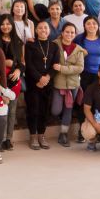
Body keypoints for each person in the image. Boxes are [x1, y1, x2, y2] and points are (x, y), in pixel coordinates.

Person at [23, 21, 58, 150]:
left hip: (48, 83)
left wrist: (47, 77)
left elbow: (55, 65)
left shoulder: (54, 46)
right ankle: (33, 136)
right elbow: (29, 64)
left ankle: (42, 135)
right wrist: (39, 78)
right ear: (36, 30)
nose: (43, 30)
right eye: (40, 28)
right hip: (33, 82)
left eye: (45, 28)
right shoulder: (30, 45)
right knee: (33, 109)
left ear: (49, 31)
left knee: (44, 110)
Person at [52, 23, 85, 146]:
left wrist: (62, 68)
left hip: (73, 85)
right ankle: (62, 120)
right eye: (67, 32)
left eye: (72, 32)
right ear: (62, 33)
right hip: (58, 83)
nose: (69, 34)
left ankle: (63, 134)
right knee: (56, 110)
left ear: (75, 34)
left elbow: (80, 68)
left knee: (68, 109)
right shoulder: (55, 45)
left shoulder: (78, 49)